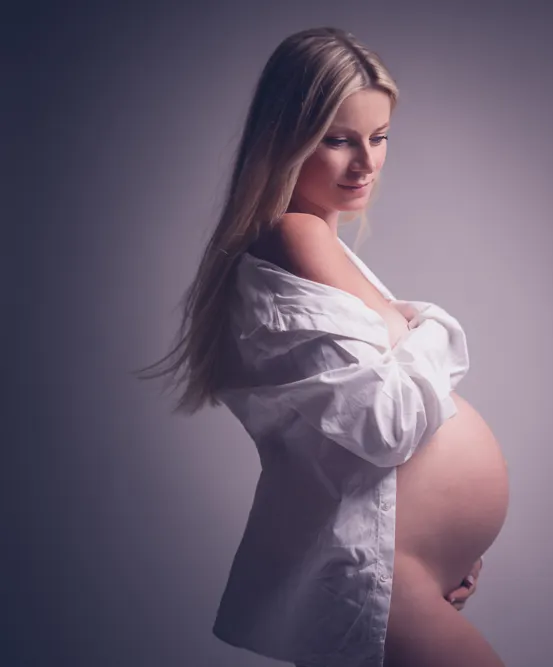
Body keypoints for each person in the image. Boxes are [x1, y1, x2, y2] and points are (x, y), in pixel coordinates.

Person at [134, 27, 509, 667]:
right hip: (379, 572)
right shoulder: (295, 235)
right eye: (338, 140)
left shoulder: (318, 246)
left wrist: (451, 546)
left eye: (379, 137)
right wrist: (433, 326)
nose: (365, 162)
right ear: (286, 139)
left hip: (401, 567)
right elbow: (387, 425)